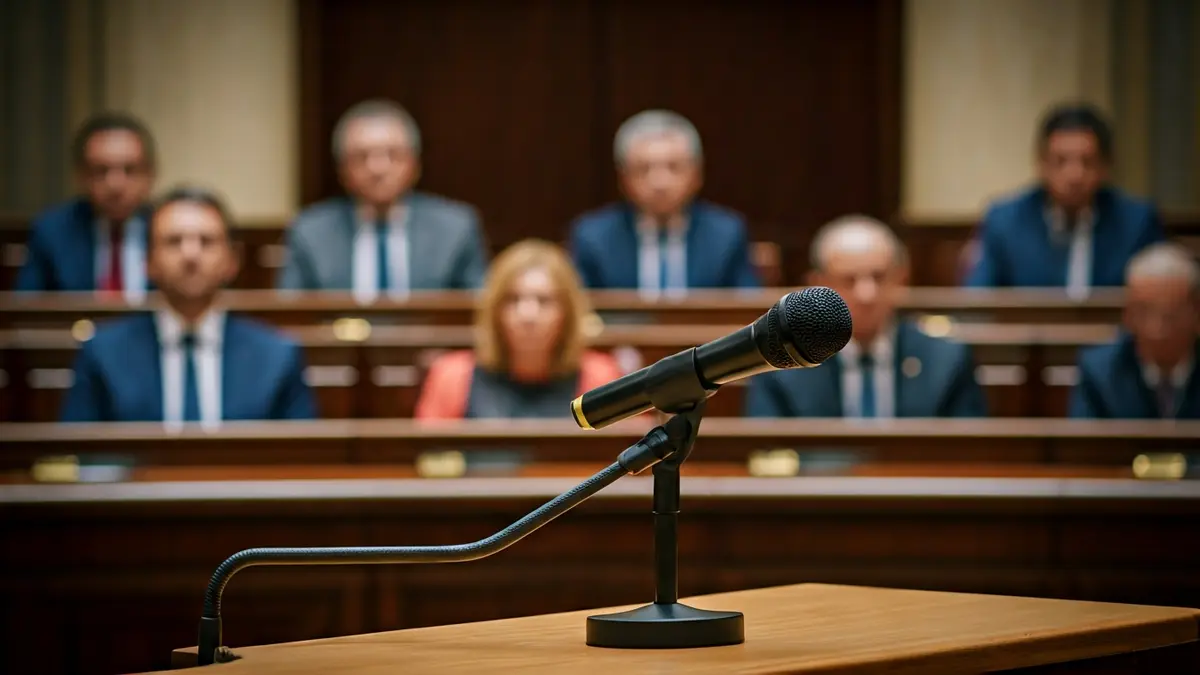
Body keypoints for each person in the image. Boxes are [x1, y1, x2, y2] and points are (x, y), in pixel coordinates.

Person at [61, 187, 316, 424]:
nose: (190, 255)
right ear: (148, 261)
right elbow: (78, 456)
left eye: (206, 241)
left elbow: (303, 460)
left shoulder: (276, 355)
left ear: (232, 261)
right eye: (174, 241)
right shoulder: (103, 353)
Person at [745, 215, 987, 418]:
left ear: (901, 280)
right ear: (818, 285)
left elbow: (970, 456)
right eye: (849, 280)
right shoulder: (783, 364)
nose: (866, 294)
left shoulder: (945, 359)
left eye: (879, 277)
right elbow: (766, 454)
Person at [278, 99, 488, 296]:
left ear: (414, 165)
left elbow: (476, 310)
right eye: (362, 156)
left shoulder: (455, 228)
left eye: (393, 154)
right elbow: (292, 314)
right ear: (342, 169)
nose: (378, 168)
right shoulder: (310, 231)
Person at [965, 103, 1163, 293]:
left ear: (1105, 166)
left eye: (1087, 162)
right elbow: (978, 299)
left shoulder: (1136, 222)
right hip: (1030, 328)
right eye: (1061, 161)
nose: (1074, 175)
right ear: (1040, 164)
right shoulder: (1005, 222)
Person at [415, 239, 622, 419]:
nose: (528, 315)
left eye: (544, 301)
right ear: (495, 311)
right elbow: (428, 457)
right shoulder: (451, 375)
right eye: (513, 300)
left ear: (567, 313)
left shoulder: (601, 376)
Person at [568, 109, 759, 291]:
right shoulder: (593, 237)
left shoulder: (726, 234)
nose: (659, 182)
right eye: (644, 169)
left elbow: (746, 310)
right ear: (623, 178)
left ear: (697, 174)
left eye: (673, 167)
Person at [17, 112, 157, 297]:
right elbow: (24, 310)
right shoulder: (53, 231)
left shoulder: (169, 230)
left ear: (150, 174)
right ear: (81, 176)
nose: (115, 185)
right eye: (101, 170)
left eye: (129, 170)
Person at [1070, 243, 1199, 419]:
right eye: (1144, 313)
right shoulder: (1100, 374)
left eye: (1171, 315)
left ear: (1196, 312)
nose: (1157, 329)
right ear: (1127, 316)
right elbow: (1083, 445)